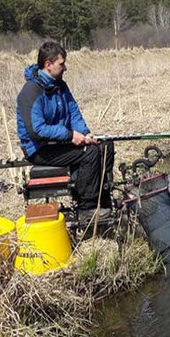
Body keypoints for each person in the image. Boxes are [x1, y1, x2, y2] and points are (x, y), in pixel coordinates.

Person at [16, 41, 114, 212]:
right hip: (39, 149)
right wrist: (70, 135)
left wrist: (85, 133)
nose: (65, 68)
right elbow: (37, 130)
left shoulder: (60, 85)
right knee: (89, 153)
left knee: (105, 146)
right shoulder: (31, 91)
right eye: (61, 64)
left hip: (59, 142)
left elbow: (73, 112)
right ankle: (88, 208)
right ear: (48, 65)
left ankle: (104, 199)